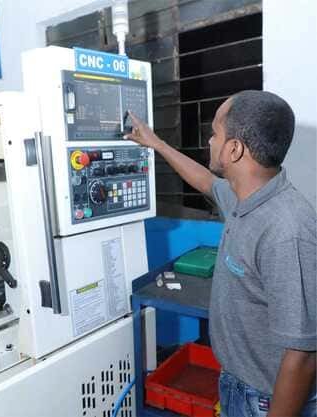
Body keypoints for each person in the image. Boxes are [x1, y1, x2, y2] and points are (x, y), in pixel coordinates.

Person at [125, 90, 316, 417]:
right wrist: (156, 144)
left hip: (265, 400)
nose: (209, 142)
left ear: (234, 149)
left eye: (214, 133)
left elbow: (303, 356)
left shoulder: (287, 230)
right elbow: (206, 182)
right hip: (236, 383)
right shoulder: (246, 197)